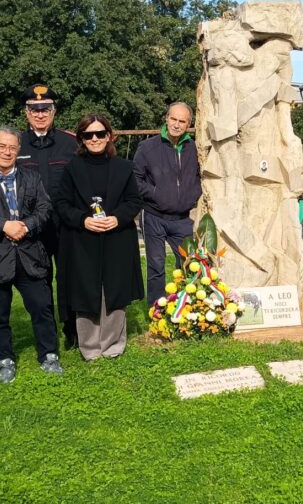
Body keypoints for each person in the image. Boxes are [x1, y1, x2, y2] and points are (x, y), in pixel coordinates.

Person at [0, 126, 63, 384]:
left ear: (19, 150)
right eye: (2, 147)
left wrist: (26, 226)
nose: (7, 152)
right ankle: (4, 359)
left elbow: (44, 207)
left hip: (29, 254)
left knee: (42, 308)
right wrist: (3, 225)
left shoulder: (31, 178)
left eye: (12, 147)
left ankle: (49, 354)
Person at [57, 114, 145, 360]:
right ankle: (90, 347)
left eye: (99, 134)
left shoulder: (124, 167)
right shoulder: (71, 169)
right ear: (81, 139)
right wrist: (83, 220)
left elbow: (134, 200)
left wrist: (117, 218)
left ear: (109, 136)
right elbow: (61, 204)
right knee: (85, 290)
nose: (94, 139)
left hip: (116, 237)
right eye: (88, 135)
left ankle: (113, 343)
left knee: (114, 290)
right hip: (83, 240)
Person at [16, 83, 79, 347]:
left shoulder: (70, 142)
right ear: (26, 112)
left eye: (45, 109)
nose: (40, 114)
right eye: (34, 109)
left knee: (67, 277)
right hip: (33, 227)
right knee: (38, 281)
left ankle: (71, 328)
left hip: (64, 224)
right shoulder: (16, 144)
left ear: (54, 111)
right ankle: (46, 331)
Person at [133, 102, 202, 305]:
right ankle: (157, 310)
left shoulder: (194, 149)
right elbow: (135, 179)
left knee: (191, 264)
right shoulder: (148, 147)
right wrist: (156, 194)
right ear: (166, 118)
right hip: (153, 215)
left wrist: (193, 194)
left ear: (189, 125)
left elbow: (201, 177)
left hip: (182, 218)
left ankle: (190, 308)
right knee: (156, 265)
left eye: (182, 121)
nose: (177, 124)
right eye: (173, 119)